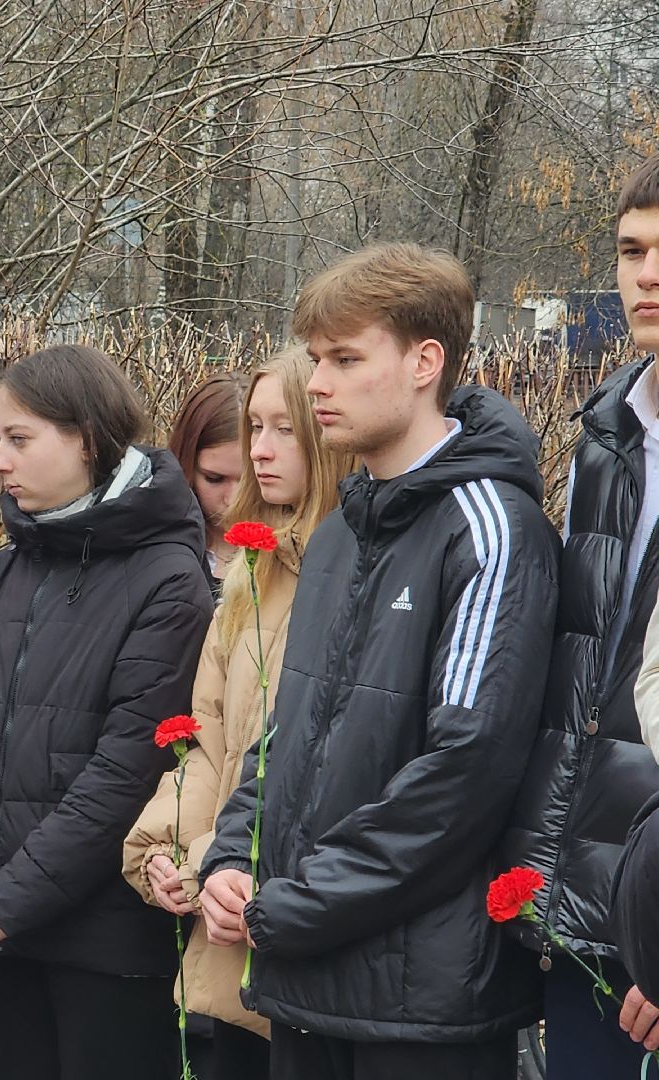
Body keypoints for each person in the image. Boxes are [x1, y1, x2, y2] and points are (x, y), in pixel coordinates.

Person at [199, 243, 559, 1080]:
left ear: (426, 361)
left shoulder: (490, 528)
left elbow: (465, 771)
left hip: (419, 1003)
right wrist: (232, 860)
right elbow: (286, 730)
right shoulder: (337, 534)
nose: (316, 381)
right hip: (306, 978)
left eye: (345, 358)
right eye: (316, 358)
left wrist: (294, 903)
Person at [0, 344, 213, 1080]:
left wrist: (7, 903)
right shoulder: (2, 572)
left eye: (18, 438)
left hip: (102, 946)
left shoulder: (168, 579)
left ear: (88, 440)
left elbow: (126, 769)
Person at [122, 346, 355, 1079]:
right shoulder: (250, 573)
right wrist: (164, 852)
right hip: (223, 907)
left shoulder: (357, 568)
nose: (260, 449)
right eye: (255, 426)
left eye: (284, 428)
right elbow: (211, 742)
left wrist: (221, 870)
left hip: (306, 923)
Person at [506, 153, 659, 1074]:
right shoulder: (607, 432)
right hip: (590, 887)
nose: (649, 274)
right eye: (631, 250)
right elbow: (583, 665)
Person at [170, 371, 247, 585]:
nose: (233, 500)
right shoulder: (158, 546)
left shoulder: (297, 550)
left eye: (250, 481)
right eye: (214, 478)